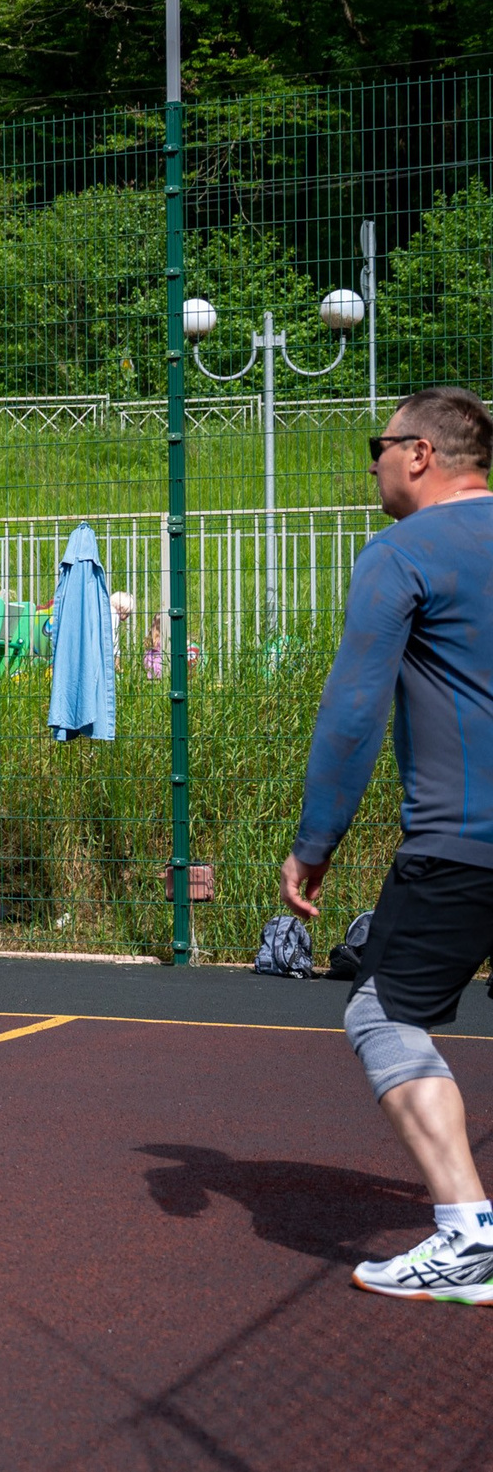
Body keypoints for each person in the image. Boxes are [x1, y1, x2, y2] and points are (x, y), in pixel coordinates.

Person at [281, 387, 493, 1304]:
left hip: (466, 840)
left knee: (382, 1015)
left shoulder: (401, 552)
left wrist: (315, 841)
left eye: (379, 445)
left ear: (419, 454)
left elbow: (354, 711)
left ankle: (466, 1234)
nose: (370, 462)